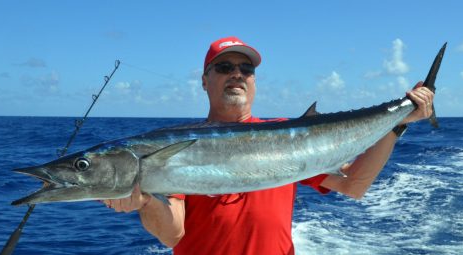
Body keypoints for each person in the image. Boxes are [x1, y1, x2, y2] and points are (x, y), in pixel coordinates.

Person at [103, 36, 435, 254]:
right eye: (224, 67)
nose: (237, 74)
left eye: (245, 69)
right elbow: (173, 234)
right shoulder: (178, 145)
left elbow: (355, 184)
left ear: (254, 81)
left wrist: (399, 122)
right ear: (205, 80)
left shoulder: (286, 134)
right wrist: (145, 201)